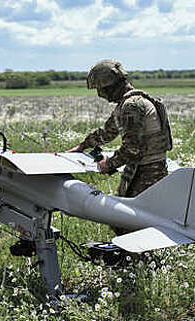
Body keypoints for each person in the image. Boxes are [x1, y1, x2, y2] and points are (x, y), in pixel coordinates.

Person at [68, 60, 173, 235]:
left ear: (109, 86)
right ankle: (135, 261)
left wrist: (108, 164)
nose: (100, 94)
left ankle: (139, 261)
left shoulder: (132, 106)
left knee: (131, 224)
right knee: (125, 223)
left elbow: (132, 149)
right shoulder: (128, 103)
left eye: (99, 89)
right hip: (143, 169)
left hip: (147, 172)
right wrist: (83, 146)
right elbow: (107, 132)